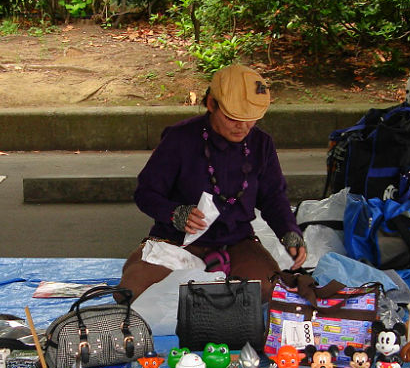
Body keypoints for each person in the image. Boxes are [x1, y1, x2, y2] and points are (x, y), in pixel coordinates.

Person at [119, 63, 306, 302]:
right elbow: (145, 193)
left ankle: (220, 279)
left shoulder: (261, 143)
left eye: (251, 120)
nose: (243, 127)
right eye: (233, 118)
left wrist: (290, 232)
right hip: (177, 241)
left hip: (236, 241)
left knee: (269, 291)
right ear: (211, 105)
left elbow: (274, 197)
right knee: (132, 290)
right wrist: (175, 213)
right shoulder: (179, 138)